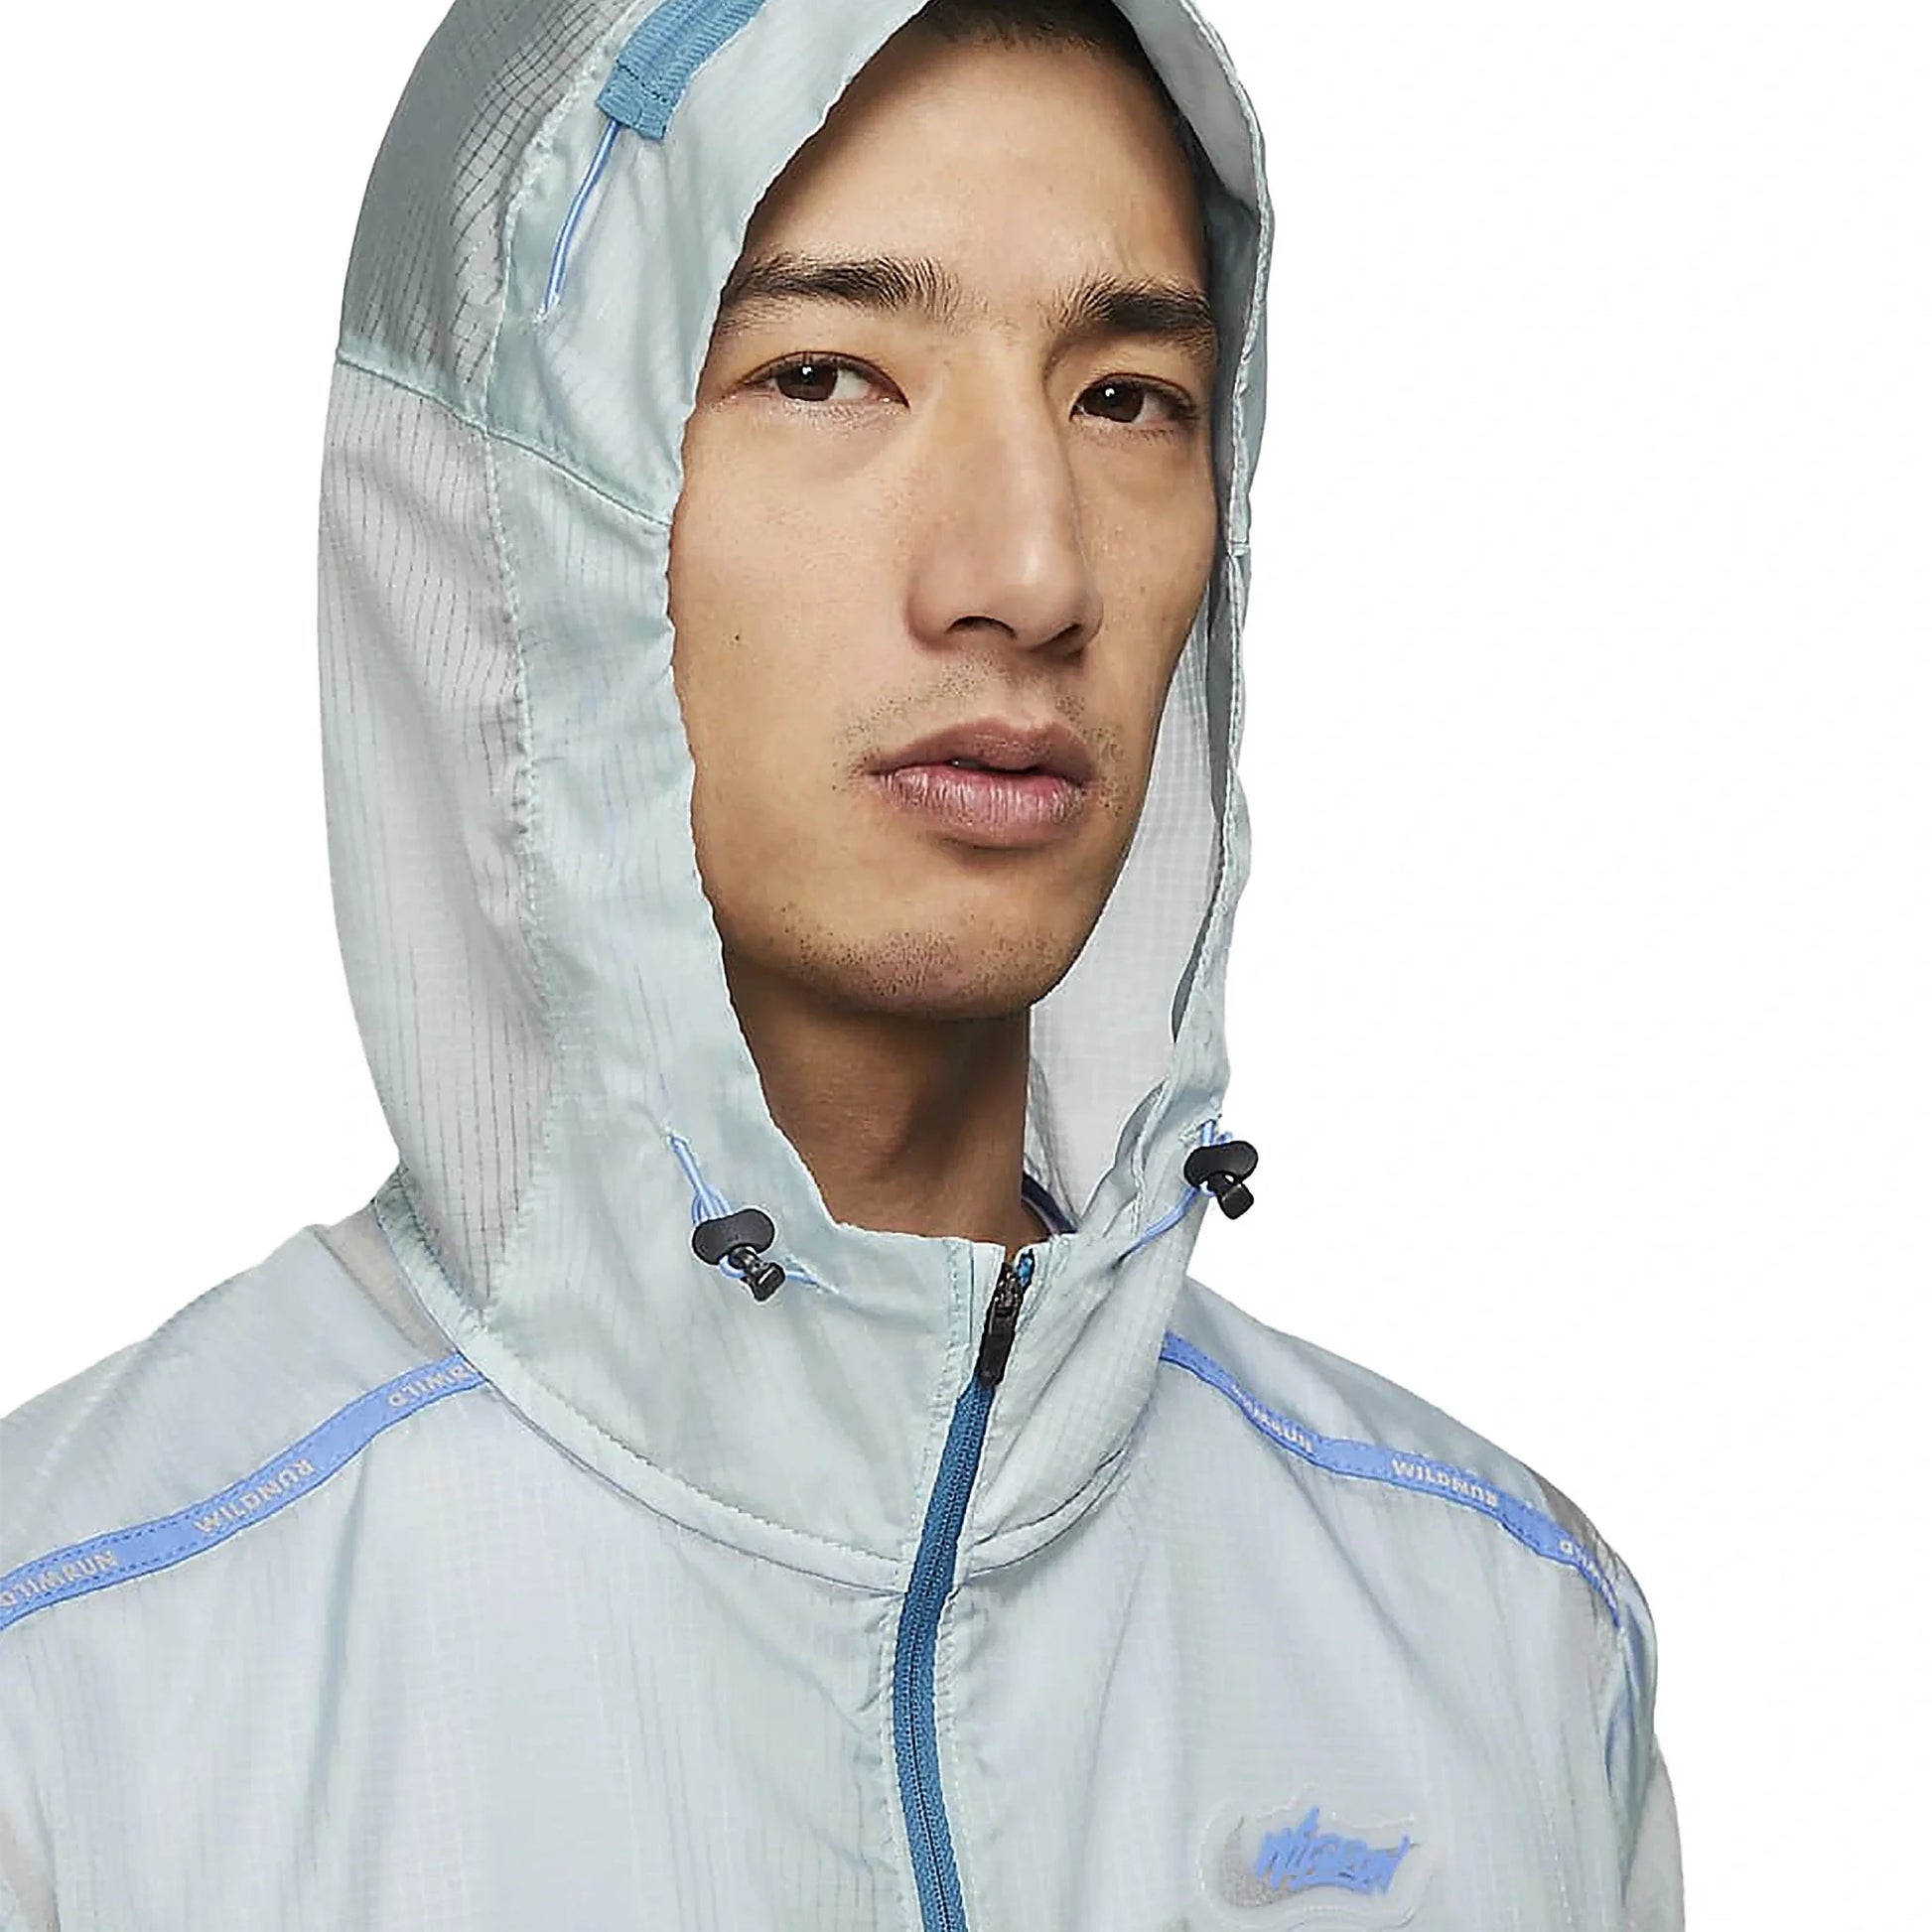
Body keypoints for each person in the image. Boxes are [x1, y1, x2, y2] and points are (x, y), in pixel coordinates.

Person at [0, 0, 1683, 1925]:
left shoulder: (1501, 1648)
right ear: (506, 501)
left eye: (1125, 397)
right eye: (823, 375)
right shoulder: (75, 1690)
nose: (1029, 572)